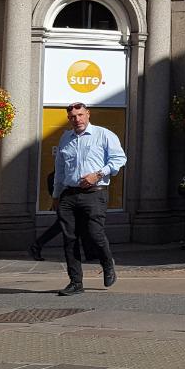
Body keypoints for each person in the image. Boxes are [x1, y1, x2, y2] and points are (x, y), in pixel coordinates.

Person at [51, 102, 126, 296]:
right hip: (69, 194)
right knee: (69, 239)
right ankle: (76, 282)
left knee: (95, 234)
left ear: (88, 114)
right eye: (72, 117)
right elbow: (60, 169)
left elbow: (119, 159)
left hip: (95, 193)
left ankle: (107, 263)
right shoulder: (65, 138)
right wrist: (56, 195)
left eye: (80, 115)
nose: (77, 120)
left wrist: (98, 174)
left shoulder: (103, 134)